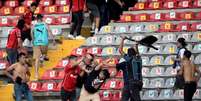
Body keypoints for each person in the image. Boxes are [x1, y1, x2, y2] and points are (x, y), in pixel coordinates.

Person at [116, 36, 143, 101]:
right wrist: (136, 45)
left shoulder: (129, 59)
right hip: (138, 83)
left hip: (131, 83)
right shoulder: (139, 59)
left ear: (128, 54)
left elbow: (120, 50)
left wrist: (122, 39)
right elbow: (137, 53)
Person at [31, 14, 55, 79]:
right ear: (41, 18)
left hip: (36, 43)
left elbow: (31, 33)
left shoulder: (33, 25)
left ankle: (36, 73)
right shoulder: (45, 24)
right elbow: (49, 31)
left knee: (37, 58)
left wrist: (33, 41)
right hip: (44, 42)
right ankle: (42, 59)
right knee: (44, 54)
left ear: (36, 19)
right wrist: (53, 40)